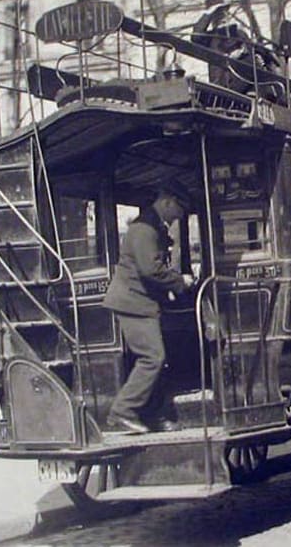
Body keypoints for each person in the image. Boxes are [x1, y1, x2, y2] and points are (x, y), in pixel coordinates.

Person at [101, 181, 196, 434]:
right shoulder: (144, 229)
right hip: (133, 303)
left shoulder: (151, 226)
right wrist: (180, 281)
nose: (178, 217)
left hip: (141, 302)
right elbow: (150, 269)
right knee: (153, 358)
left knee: (159, 359)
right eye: (178, 211)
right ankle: (122, 412)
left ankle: (153, 415)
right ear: (167, 202)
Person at [192, 0, 284, 102]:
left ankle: (269, 94)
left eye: (225, 11)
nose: (223, 16)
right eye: (218, 13)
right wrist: (208, 13)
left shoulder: (238, 33)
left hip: (243, 79)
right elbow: (195, 37)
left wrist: (243, 52)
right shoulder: (210, 38)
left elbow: (252, 51)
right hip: (224, 82)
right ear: (212, 17)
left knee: (257, 61)